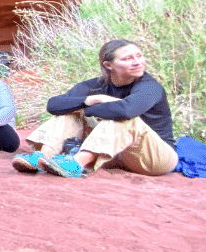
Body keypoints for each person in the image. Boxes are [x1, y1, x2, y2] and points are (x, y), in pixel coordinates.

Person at [11, 39, 178, 178]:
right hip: (117, 155)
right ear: (108, 65)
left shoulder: (150, 86)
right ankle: (41, 158)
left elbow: (126, 111)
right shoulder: (95, 86)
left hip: (156, 158)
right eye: (127, 59)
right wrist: (92, 100)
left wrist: (87, 110)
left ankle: (75, 164)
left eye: (139, 56)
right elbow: (53, 105)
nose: (137, 62)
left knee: (122, 118)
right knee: (68, 113)